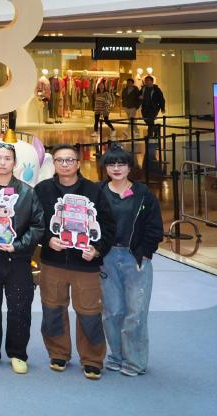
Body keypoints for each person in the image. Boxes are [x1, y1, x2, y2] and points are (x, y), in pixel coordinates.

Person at [35, 144, 115, 380]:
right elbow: (34, 222)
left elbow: (108, 225)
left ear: (78, 163)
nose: (65, 164)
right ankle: (58, 353)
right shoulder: (42, 190)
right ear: (54, 164)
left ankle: (92, 359)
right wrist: (47, 240)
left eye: (70, 160)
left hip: (85, 265)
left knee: (89, 312)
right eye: (60, 160)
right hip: (53, 262)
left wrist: (97, 249)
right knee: (52, 309)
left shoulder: (94, 190)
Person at [0, 141, 45, 374]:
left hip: (18, 259)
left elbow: (38, 226)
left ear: (15, 163)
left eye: (7, 158)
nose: (2, 162)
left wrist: (17, 246)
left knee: (20, 307)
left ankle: (18, 353)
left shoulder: (27, 192)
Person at [99, 144, 163, 377]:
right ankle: (116, 356)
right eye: (111, 164)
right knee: (112, 311)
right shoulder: (98, 192)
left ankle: (134, 361)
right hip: (106, 257)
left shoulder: (143, 193)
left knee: (136, 312)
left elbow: (154, 226)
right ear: (105, 167)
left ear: (129, 167)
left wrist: (145, 252)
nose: (116, 168)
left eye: (121, 164)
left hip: (134, 257)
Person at [140, 75, 166, 144]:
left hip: (153, 108)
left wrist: (162, 108)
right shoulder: (143, 89)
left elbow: (161, 99)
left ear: (152, 81)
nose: (147, 82)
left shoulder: (156, 89)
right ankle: (156, 130)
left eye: (148, 80)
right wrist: (139, 98)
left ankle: (150, 136)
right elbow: (139, 95)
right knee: (147, 121)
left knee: (150, 121)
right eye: (146, 81)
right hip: (144, 108)